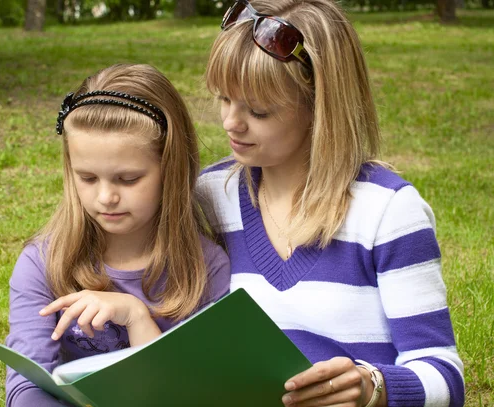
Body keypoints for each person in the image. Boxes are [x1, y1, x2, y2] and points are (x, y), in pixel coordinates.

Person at [195, 1, 464, 406]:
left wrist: (372, 387)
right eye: (224, 99)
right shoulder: (210, 195)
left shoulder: (387, 211)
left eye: (258, 110)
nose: (231, 122)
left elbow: (444, 375)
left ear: (320, 105)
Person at [5, 64, 230, 406]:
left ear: (170, 169)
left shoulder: (206, 269)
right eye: (88, 178)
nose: (106, 197)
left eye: (128, 179)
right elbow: (26, 387)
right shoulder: (42, 263)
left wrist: (137, 316)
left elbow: (193, 394)